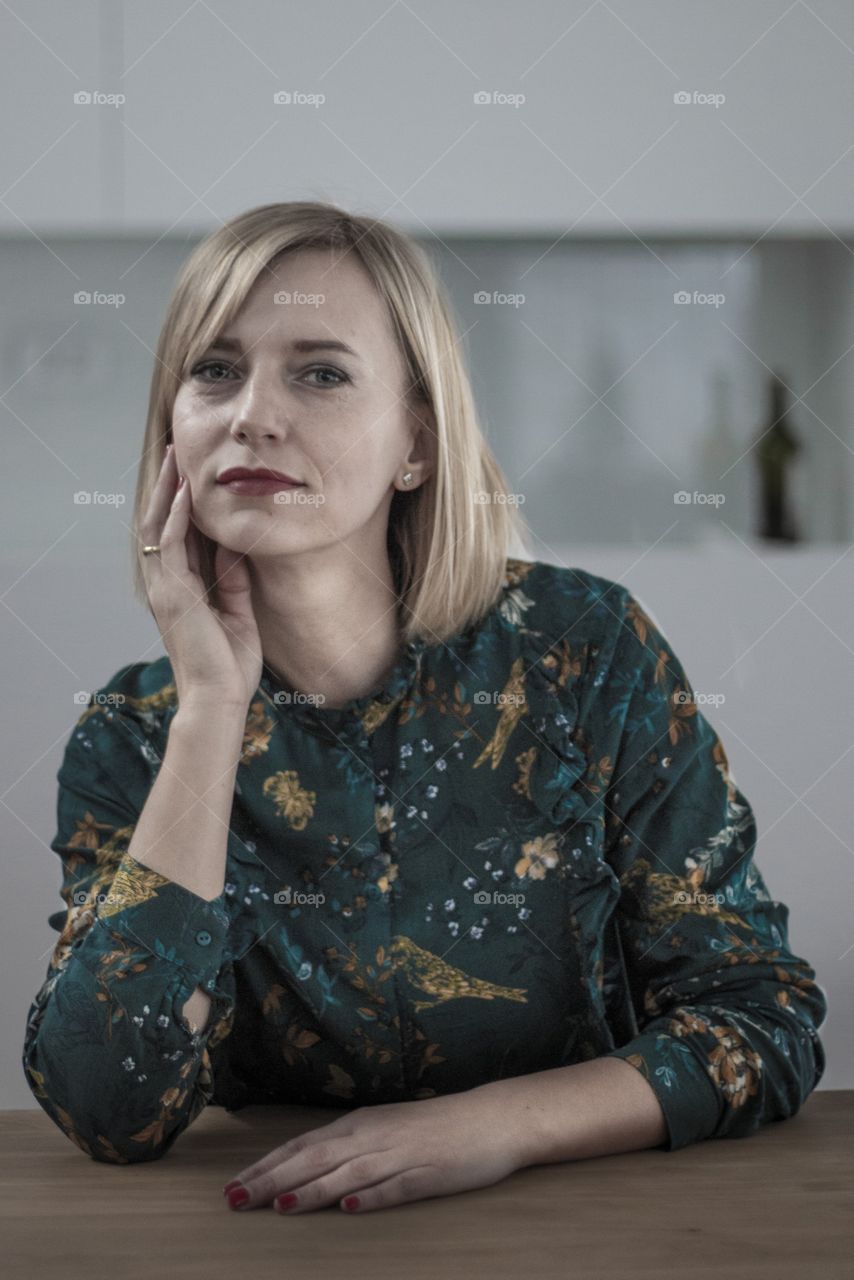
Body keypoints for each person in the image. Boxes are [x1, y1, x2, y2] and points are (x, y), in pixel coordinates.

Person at [22, 201, 828, 1215]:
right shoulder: (133, 735)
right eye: (214, 370)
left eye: (319, 372)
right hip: (285, 1234)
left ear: (416, 442)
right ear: (173, 428)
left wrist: (494, 1124)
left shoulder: (582, 648)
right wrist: (212, 707)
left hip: (591, 1222)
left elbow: (760, 1018)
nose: (251, 415)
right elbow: (109, 1105)